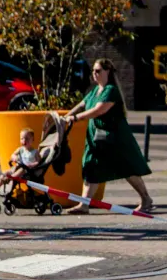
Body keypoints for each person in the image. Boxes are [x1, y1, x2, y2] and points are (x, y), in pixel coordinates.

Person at [62, 58, 154, 215]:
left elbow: (98, 110)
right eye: (93, 71)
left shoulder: (110, 90)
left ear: (108, 72)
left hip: (114, 137)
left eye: (98, 71)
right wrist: (65, 117)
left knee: (127, 168)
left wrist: (76, 118)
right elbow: (81, 106)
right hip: (96, 137)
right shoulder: (94, 91)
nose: (94, 74)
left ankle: (146, 198)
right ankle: (84, 204)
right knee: (90, 166)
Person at [0, 128, 41, 204]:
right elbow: (13, 155)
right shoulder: (20, 149)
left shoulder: (35, 152)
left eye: (27, 139)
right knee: (5, 173)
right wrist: (15, 157)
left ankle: (9, 178)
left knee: (21, 170)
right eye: (22, 139)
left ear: (32, 139)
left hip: (26, 170)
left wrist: (32, 164)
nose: (24, 141)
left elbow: (38, 161)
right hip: (17, 167)